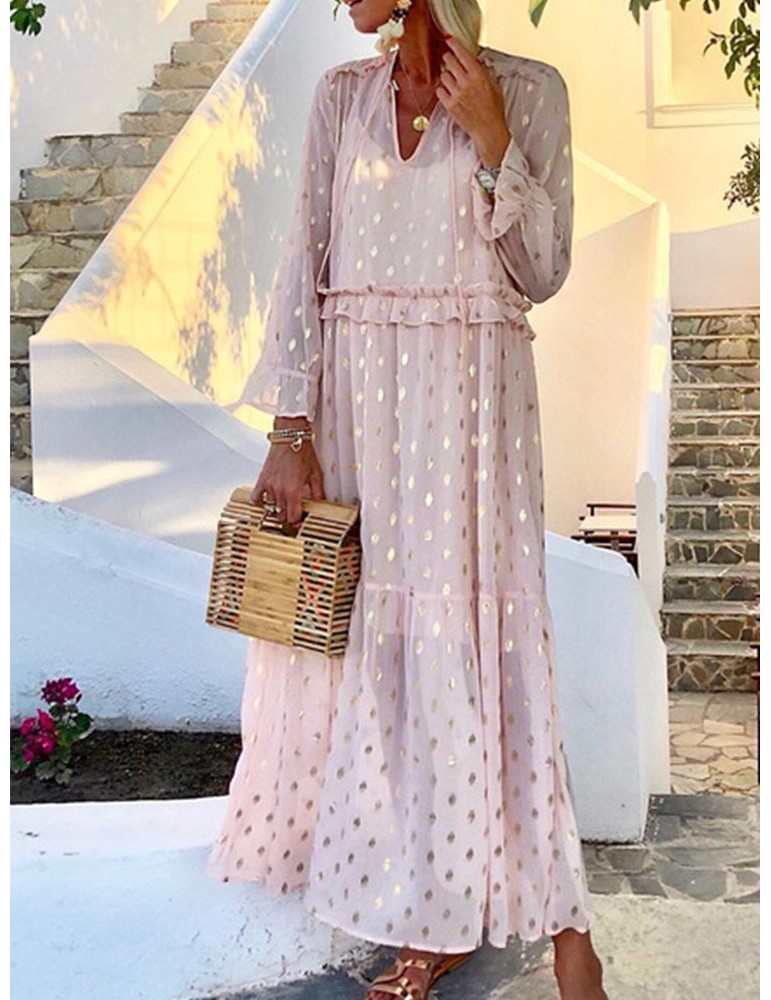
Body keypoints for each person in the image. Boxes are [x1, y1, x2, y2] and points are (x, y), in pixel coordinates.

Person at [208, 1, 608, 997]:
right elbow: (303, 265)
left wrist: (493, 138)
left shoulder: (529, 92)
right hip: (361, 417)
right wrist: (289, 432)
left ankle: (550, 919)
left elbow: (542, 271)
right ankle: (429, 909)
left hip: (473, 424)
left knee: (472, 647)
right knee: (383, 652)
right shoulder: (341, 98)